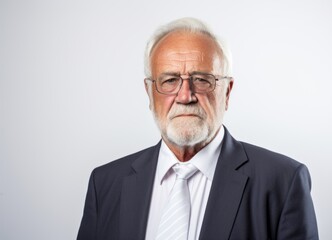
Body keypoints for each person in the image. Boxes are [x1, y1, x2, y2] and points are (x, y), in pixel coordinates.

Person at [77, 17, 318, 240]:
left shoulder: (282, 182)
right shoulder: (106, 183)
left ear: (227, 92)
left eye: (202, 80)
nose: (185, 96)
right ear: (149, 93)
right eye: (169, 80)